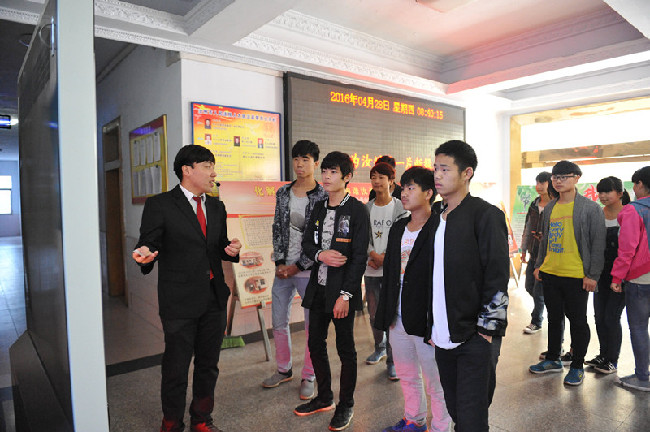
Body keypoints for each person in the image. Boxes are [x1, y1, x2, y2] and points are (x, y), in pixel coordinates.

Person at [133, 145, 242, 432]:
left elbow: (217, 245)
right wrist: (145, 253)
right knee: (176, 367)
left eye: (213, 167)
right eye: (207, 166)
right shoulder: (160, 204)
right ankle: (171, 422)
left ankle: (202, 419)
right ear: (187, 169)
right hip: (179, 300)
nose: (213, 173)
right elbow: (149, 242)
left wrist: (230, 250)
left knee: (208, 365)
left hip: (213, 297)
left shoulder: (216, 206)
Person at [426, 140, 509, 431]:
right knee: (455, 409)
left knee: (472, 416)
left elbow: (497, 276)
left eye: (445, 169)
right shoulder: (435, 216)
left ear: (467, 173)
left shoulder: (486, 215)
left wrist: (487, 331)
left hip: (475, 335)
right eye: (435, 168)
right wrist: (430, 326)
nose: (438, 175)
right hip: (442, 334)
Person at [293, 151, 369, 431]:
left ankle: (346, 404)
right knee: (315, 342)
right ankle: (324, 397)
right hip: (319, 287)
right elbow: (307, 244)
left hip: (342, 292)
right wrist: (320, 255)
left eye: (333, 172)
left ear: (347, 177)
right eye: (324, 171)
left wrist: (346, 295)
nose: (326, 176)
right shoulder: (318, 207)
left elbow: (359, 257)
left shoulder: (357, 210)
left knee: (346, 349)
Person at [376, 166, 450, 432]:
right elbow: (390, 272)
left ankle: (440, 427)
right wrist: (386, 313)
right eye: (403, 187)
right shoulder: (399, 228)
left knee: (435, 380)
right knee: (407, 374)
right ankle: (414, 420)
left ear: (429, 193)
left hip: (426, 318)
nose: (404, 193)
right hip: (398, 315)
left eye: (411, 188)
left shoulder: (439, 227)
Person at [529, 160, 605, 386]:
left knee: (578, 321)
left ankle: (577, 365)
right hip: (551, 272)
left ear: (576, 178)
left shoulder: (590, 208)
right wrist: (539, 264)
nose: (558, 181)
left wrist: (592, 275)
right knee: (554, 318)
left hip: (576, 275)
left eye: (564, 177)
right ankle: (553, 358)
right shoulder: (550, 207)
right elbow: (545, 240)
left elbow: (597, 244)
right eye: (555, 177)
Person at [261, 140, 328, 399]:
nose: (299, 164)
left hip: (308, 271)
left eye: (305, 159)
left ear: (315, 163)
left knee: (312, 326)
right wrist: (280, 262)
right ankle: (283, 369)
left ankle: (309, 375)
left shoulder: (322, 196)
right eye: (296, 159)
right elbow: (277, 228)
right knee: (279, 322)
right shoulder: (283, 193)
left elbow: (321, 238)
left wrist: (298, 266)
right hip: (283, 270)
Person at [364, 162, 408, 380]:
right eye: (373, 177)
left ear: (391, 181)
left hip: (392, 271)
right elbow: (361, 237)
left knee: (391, 315)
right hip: (371, 269)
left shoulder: (400, 208)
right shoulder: (366, 208)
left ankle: (392, 360)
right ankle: (379, 347)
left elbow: (403, 237)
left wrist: (385, 258)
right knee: (373, 313)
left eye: (381, 177)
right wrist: (372, 255)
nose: (377, 181)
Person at [585, 176, 630, 374]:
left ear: (620, 193)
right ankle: (603, 355)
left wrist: (620, 277)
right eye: (600, 192)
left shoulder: (629, 213)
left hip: (622, 275)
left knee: (612, 316)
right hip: (600, 273)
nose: (602, 196)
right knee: (599, 316)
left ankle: (612, 360)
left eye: (607, 191)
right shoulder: (597, 214)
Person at [611, 166, 650, 392]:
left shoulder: (633, 211)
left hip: (640, 279)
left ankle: (643, 377)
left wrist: (617, 277)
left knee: (638, 328)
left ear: (640, 184)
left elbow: (626, 250)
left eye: (635, 184)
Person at [521, 172, 556, 334]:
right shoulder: (534, 205)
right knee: (529, 286)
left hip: (548, 256)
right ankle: (544, 307)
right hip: (533, 253)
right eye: (537, 183)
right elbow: (527, 227)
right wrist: (523, 249)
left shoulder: (555, 205)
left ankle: (536, 321)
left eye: (542, 183)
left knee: (538, 290)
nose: (539, 186)